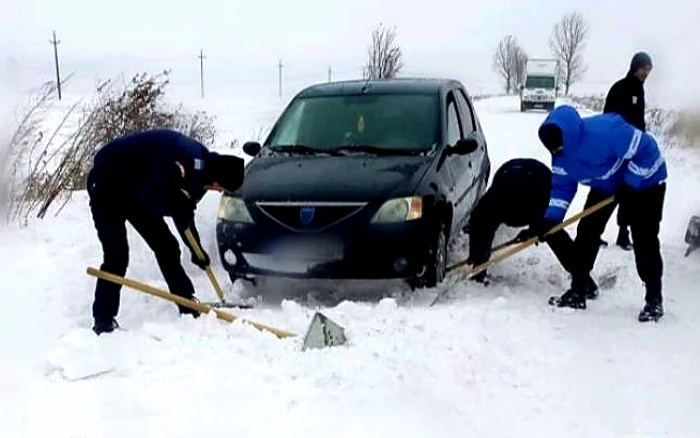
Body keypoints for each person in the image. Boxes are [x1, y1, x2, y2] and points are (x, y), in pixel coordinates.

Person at [86, 129, 245, 334]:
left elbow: (184, 215)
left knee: (167, 247)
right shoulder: (188, 161)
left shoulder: (204, 174)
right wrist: (174, 197)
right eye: (222, 188)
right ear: (219, 181)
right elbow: (164, 189)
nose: (219, 192)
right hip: (107, 183)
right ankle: (103, 319)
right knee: (116, 256)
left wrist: (197, 251)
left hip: (136, 191)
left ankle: (186, 303)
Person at [536, 105, 667, 322]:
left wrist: (631, 182)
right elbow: (562, 189)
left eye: (559, 146)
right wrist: (550, 221)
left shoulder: (607, 132)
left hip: (647, 181)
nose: (557, 152)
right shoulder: (559, 155)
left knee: (644, 237)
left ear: (570, 135)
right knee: (587, 231)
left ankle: (654, 299)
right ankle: (579, 290)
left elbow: (647, 150)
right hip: (607, 184)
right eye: (552, 149)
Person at [465, 158, 598, 298]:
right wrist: (477, 256)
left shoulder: (537, 199)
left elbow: (540, 220)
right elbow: (479, 225)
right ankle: (479, 270)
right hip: (510, 178)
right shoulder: (492, 202)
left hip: (540, 185)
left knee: (551, 232)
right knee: (482, 222)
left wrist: (533, 232)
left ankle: (584, 281)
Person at [601, 51, 653, 250]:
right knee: (605, 190)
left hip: (634, 150)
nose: (645, 73)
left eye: (648, 70)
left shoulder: (639, 91)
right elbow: (609, 117)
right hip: (616, 149)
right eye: (643, 69)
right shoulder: (620, 88)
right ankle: (593, 231)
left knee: (628, 191)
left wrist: (642, 139)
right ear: (634, 67)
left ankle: (624, 234)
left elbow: (638, 120)